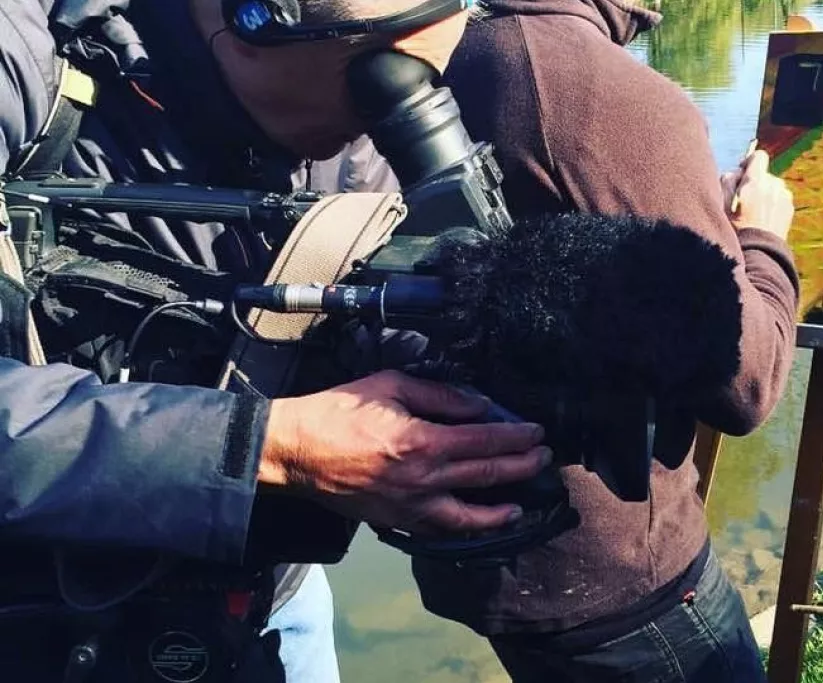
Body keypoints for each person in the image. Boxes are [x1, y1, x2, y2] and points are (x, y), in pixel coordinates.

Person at [0, 0, 553, 680]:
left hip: (275, 597)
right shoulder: (26, 60)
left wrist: (535, 334)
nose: (399, 105)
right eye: (380, 71)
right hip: (44, 618)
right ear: (255, 15)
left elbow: (395, 325)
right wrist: (266, 447)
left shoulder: (347, 132)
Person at [393, 0, 802, 680]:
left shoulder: (454, 52)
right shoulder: (605, 91)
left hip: (487, 557)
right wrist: (761, 236)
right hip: (624, 589)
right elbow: (746, 381)